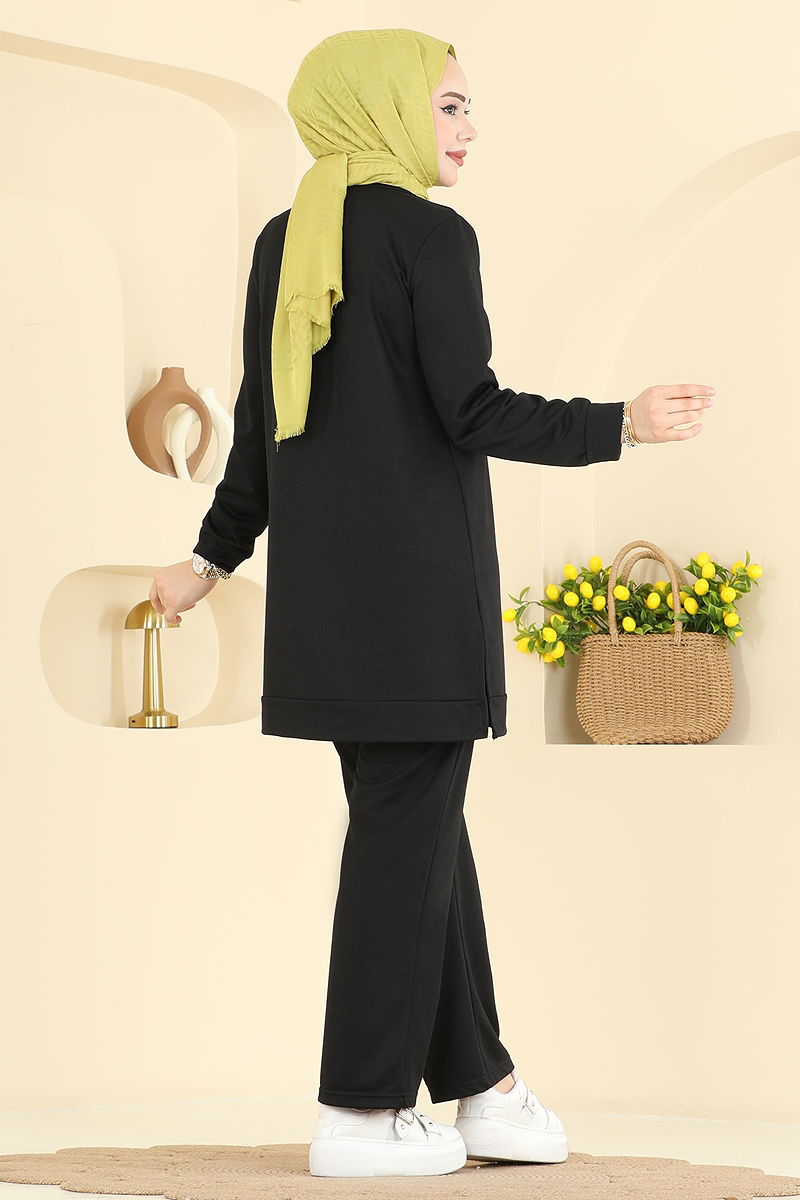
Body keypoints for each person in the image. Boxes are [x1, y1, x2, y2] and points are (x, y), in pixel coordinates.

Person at [149, 28, 716, 1179]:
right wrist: (619, 423)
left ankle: (484, 1089)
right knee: (401, 852)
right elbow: (472, 409)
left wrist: (206, 561)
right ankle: (359, 1114)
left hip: (326, 614)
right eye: (448, 106)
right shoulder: (429, 236)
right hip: (416, 610)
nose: (466, 129)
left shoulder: (286, 242)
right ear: (385, 110)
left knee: (419, 843)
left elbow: (262, 430)